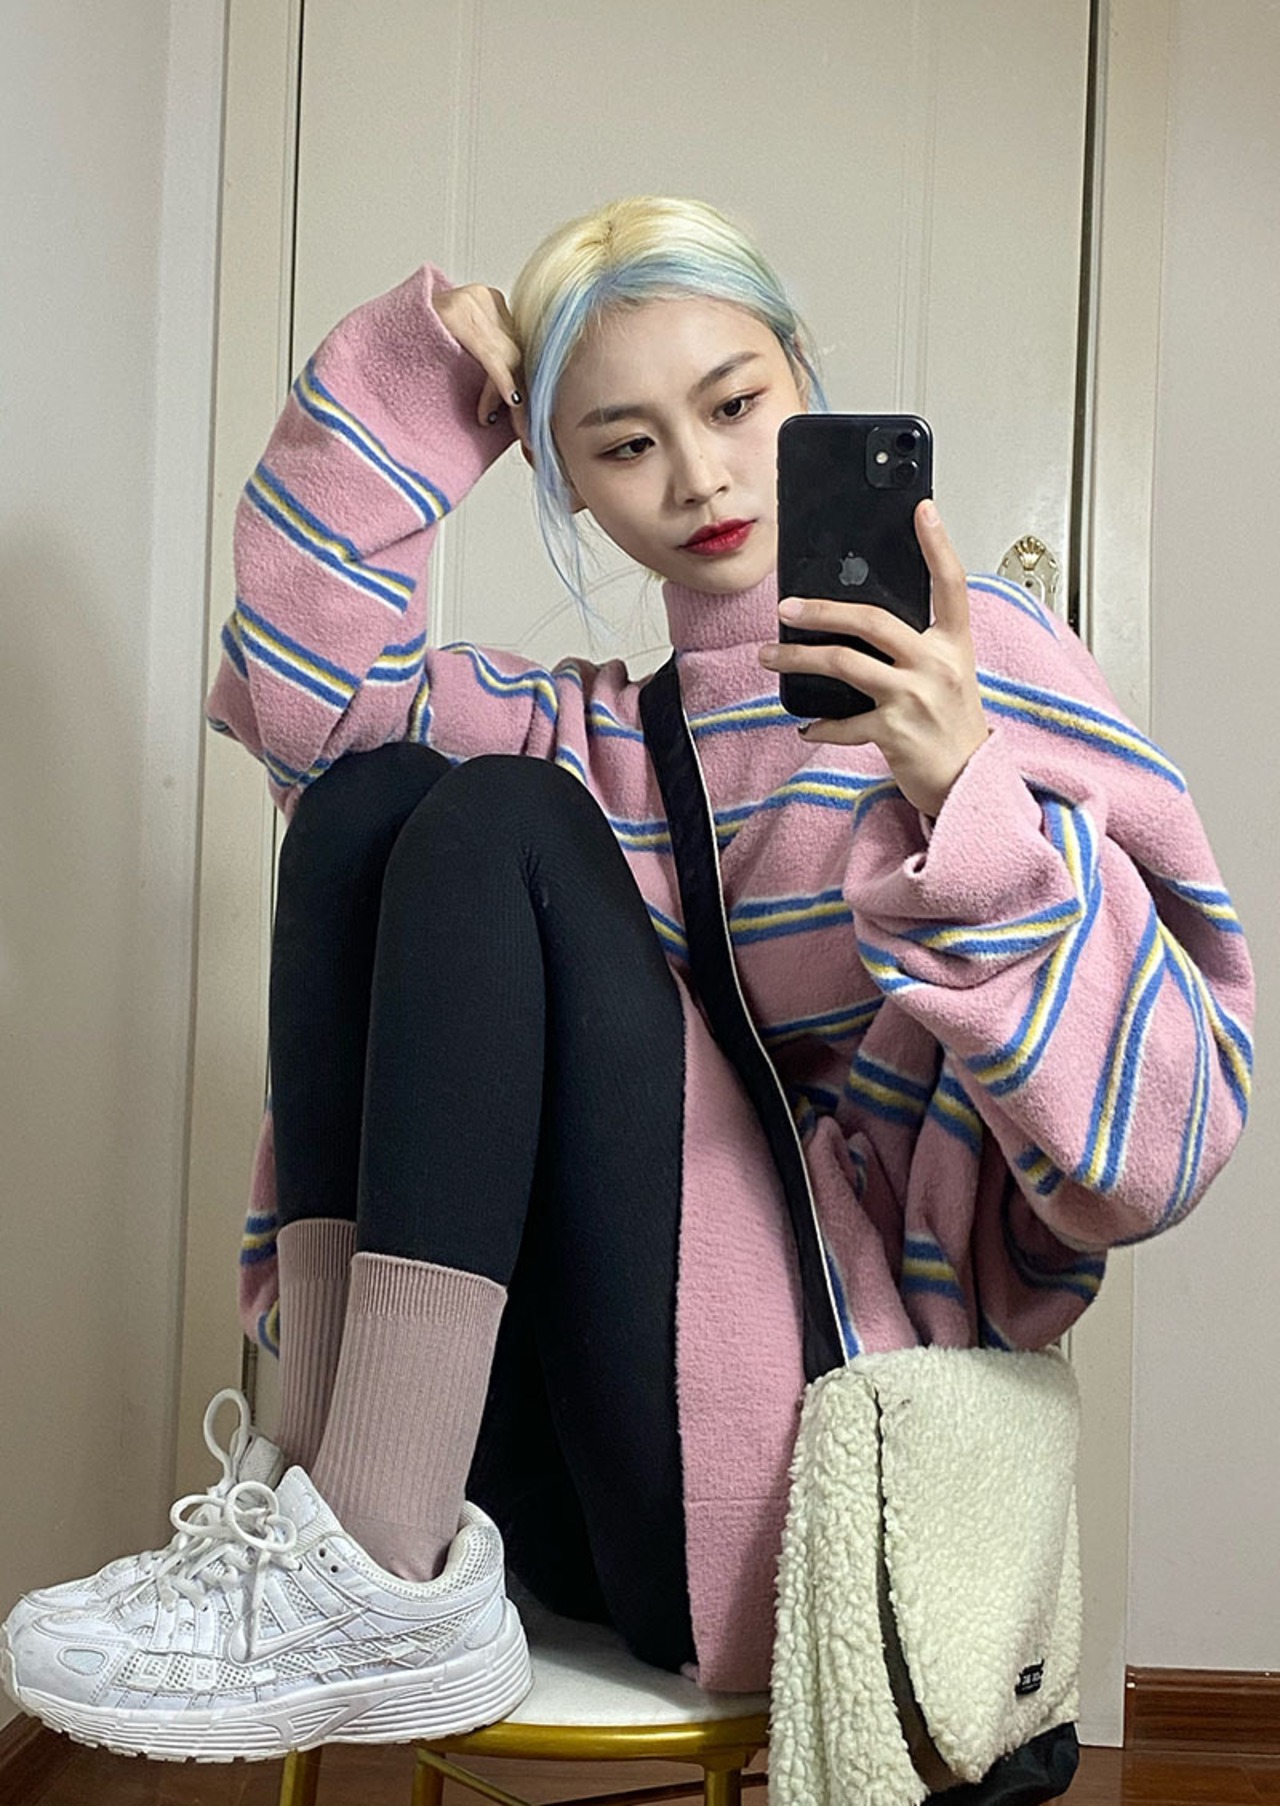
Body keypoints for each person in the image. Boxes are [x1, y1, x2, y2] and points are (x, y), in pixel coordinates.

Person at [1, 197, 1253, 1799]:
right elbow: (313, 717)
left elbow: (1161, 1148)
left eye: (734, 403)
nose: (703, 478)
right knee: (377, 798)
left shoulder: (981, 660)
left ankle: (361, 1559)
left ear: (804, 375)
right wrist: (408, 389)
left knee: (503, 822)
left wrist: (969, 799)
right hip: (567, 1466)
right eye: (625, 444)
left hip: (807, 1490)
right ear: (569, 480)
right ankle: (333, 1520)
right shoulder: (600, 736)